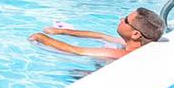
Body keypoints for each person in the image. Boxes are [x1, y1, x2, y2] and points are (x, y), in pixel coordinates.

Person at [31, 8, 164, 62]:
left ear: (135, 34)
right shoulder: (137, 45)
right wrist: (63, 31)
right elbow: (101, 36)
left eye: (126, 20)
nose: (121, 19)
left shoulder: (117, 55)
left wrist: (41, 37)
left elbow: (74, 50)